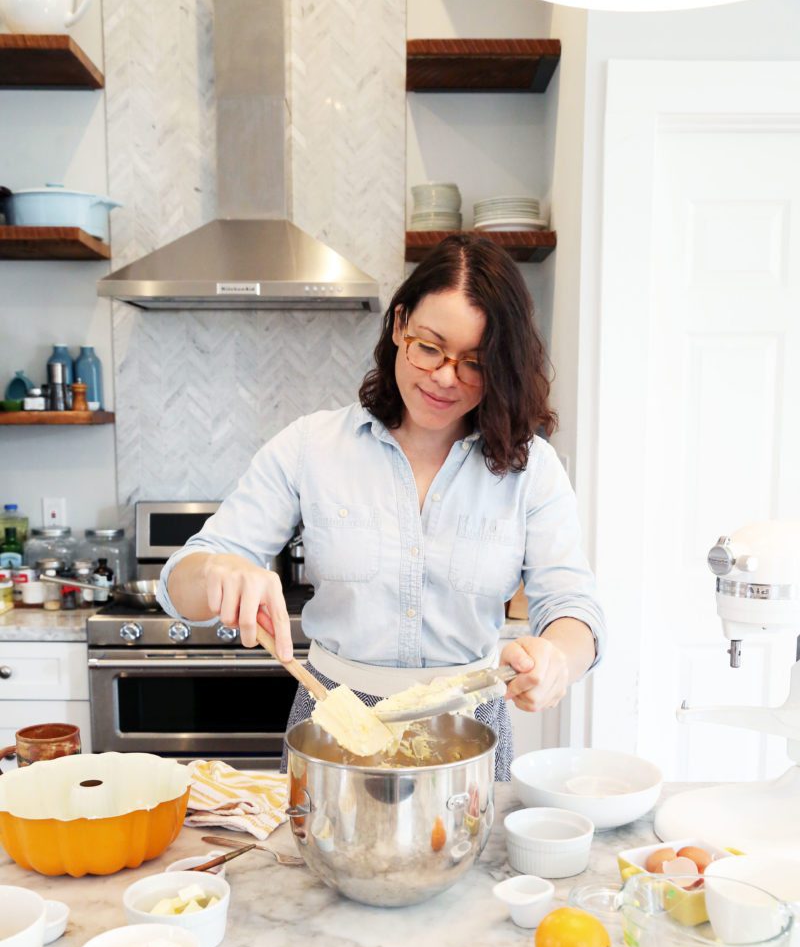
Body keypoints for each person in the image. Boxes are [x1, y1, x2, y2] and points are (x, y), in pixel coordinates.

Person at [158, 234, 606, 779]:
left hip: (467, 727)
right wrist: (219, 570)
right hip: (335, 724)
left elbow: (574, 608)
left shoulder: (530, 467)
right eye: (430, 347)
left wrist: (557, 657)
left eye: (475, 362)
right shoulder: (310, 446)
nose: (445, 376)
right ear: (399, 326)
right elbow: (179, 582)